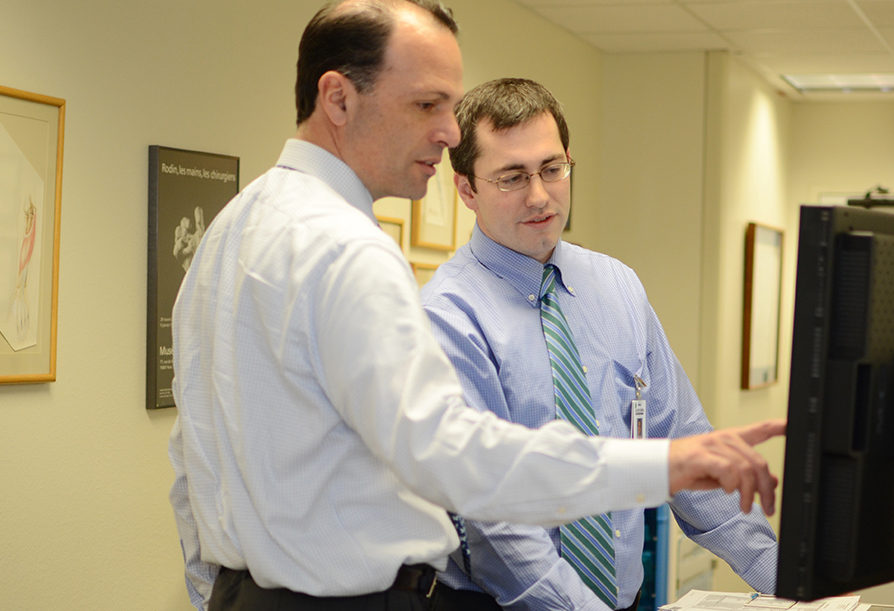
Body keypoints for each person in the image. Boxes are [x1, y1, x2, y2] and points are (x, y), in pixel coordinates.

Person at [167, 2, 786, 611]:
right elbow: (463, 463)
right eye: (427, 104)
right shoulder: (349, 250)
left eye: (553, 168)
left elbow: (190, 456)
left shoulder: (233, 226)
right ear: (338, 99)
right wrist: (662, 464)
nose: (449, 130)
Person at [420, 78, 781, 611]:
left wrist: (787, 578)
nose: (540, 195)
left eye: (552, 169)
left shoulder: (617, 287)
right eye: (512, 177)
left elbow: (682, 444)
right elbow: (490, 520)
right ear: (467, 190)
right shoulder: (447, 316)